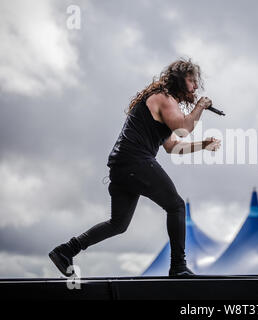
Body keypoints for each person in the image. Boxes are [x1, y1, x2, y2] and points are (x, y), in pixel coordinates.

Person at [49, 58, 221, 277]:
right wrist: (201, 106)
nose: (195, 86)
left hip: (123, 167)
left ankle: (66, 250)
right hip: (135, 162)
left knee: (118, 224)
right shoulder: (164, 98)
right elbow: (184, 129)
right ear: (179, 80)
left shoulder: (167, 105)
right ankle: (178, 267)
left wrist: (203, 145)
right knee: (176, 205)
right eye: (191, 80)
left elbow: (171, 147)